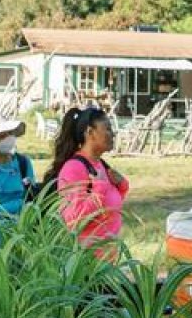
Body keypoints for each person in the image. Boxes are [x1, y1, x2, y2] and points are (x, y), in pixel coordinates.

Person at [44, 104, 130, 247]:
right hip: (86, 261)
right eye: (107, 129)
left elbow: (108, 206)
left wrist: (122, 187)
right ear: (90, 132)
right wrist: (100, 190)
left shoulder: (100, 164)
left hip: (107, 259)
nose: (113, 134)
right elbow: (73, 220)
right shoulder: (74, 168)